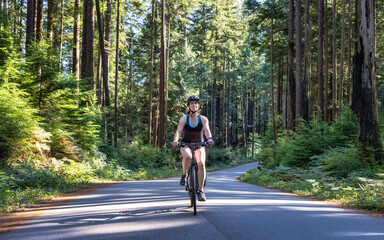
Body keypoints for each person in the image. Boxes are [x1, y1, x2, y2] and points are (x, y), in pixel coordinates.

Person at [172, 95, 214, 201]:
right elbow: (178, 131)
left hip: (199, 144)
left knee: (201, 164)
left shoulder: (203, 119)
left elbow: (206, 130)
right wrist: (176, 140)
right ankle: (184, 175)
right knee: (187, 157)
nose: (194, 105)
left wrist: (209, 138)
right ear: (189, 105)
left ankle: (200, 191)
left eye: (196, 103)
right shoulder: (184, 118)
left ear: (198, 105)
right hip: (186, 144)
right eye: (192, 103)